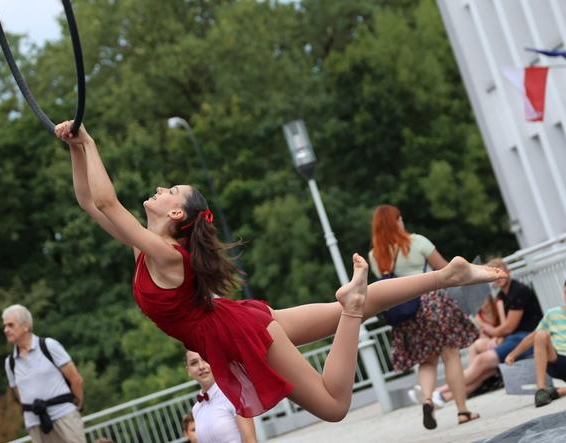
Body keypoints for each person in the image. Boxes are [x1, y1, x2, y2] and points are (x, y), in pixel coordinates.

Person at [56, 120, 506, 422]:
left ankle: (353, 307)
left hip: (237, 333)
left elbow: (106, 202)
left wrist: (90, 143)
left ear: (176, 216)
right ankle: (447, 276)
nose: (160, 189)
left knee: (333, 405)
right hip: (236, 319)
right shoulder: (150, 251)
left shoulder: (167, 256)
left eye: (170, 189)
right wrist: (77, 149)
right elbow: (88, 202)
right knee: (356, 310)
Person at [368, 205, 480, 429]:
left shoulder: (375, 255)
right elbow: (446, 270)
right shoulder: (417, 242)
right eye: (400, 218)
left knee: (426, 360)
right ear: (397, 221)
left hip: (405, 309)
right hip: (432, 303)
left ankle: (428, 399)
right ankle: (462, 411)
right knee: (451, 355)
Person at [434, 258, 543, 405]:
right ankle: (442, 398)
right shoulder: (501, 296)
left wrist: (491, 331)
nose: (498, 277)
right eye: (494, 273)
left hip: (527, 338)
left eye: (500, 271)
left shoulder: (519, 291)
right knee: (484, 365)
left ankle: (439, 391)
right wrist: (494, 336)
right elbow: (503, 328)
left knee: (482, 361)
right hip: (512, 338)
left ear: (508, 271)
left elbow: (509, 327)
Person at [3, 304, 86, 443]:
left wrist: (77, 405)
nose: (6, 330)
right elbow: (19, 394)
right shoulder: (10, 363)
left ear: (26, 326)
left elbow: (75, 379)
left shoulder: (48, 346)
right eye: (4, 326)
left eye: (11, 325)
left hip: (64, 415)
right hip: (35, 423)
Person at [504, 279, 566, 407]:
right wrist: (513, 354)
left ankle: (557, 392)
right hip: (557, 359)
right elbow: (533, 337)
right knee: (541, 334)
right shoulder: (553, 314)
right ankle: (541, 390)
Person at [185, 350, 257, 443]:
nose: (201, 366)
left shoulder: (235, 396)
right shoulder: (196, 409)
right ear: (188, 371)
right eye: (194, 363)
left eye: (205, 359)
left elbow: (250, 440)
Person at [468, 295, 506, 364]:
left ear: (488, 297)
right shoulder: (478, 315)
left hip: (504, 335)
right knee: (473, 347)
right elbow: (488, 331)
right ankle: (474, 370)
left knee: (492, 344)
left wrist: (496, 338)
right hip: (491, 338)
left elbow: (504, 327)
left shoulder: (498, 303)